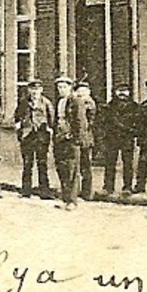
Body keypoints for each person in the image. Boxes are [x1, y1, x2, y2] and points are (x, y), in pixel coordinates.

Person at [100, 84, 140, 196]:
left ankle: (127, 187)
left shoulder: (135, 107)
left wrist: (132, 131)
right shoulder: (109, 107)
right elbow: (104, 123)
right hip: (112, 138)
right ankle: (108, 187)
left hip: (127, 138)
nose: (122, 93)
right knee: (110, 163)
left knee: (127, 163)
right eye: (119, 91)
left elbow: (139, 123)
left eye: (125, 91)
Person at [16, 79, 53, 198]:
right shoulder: (24, 103)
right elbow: (17, 117)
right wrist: (20, 131)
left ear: (41, 90)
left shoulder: (46, 103)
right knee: (27, 164)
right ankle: (26, 190)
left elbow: (51, 120)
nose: (34, 92)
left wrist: (48, 131)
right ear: (29, 90)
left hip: (41, 137)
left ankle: (44, 191)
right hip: (27, 137)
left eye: (37, 89)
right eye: (32, 89)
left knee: (42, 164)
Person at [52, 76, 80, 209]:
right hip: (59, 137)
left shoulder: (75, 101)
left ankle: (72, 201)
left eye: (64, 87)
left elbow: (80, 121)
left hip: (71, 139)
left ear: (70, 87)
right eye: (59, 87)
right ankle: (65, 198)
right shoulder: (59, 101)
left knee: (72, 169)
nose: (61, 90)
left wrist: (75, 137)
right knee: (61, 167)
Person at [73, 82, 98, 202]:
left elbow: (89, 123)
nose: (81, 93)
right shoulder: (76, 102)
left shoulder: (89, 104)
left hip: (86, 138)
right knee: (78, 165)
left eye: (84, 91)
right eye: (79, 91)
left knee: (85, 165)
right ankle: (78, 191)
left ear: (88, 92)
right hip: (78, 137)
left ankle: (87, 192)